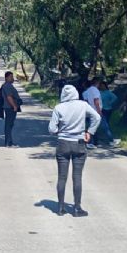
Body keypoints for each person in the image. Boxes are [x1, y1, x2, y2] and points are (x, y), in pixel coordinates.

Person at [48, 84, 100, 217]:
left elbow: (52, 129)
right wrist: (90, 132)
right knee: (77, 177)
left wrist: (60, 130)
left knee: (62, 177)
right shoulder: (83, 105)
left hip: (63, 144)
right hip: (79, 143)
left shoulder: (58, 107)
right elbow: (97, 117)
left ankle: (60, 208)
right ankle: (77, 208)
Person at [0, 71, 22, 147]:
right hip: (10, 108)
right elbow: (9, 97)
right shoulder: (7, 86)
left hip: (10, 107)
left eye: (12, 77)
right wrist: (14, 106)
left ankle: (9, 142)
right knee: (8, 125)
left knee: (10, 125)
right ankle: (8, 142)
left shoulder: (8, 85)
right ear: (6, 78)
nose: (12, 78)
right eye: (11, 77)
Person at [82, 77, 103, 149]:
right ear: (97, 83)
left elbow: (86, 101)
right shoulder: (96, 90)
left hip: (89, 110)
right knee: (95, 126)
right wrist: (99, 111)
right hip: (96, 110)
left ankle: (93, 141)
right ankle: (92, 141)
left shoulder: (87, 91)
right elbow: (96, 101)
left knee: (92, 126)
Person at [98, 79, 117, 146]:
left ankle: (110, 138)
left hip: (108, 109)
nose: (102, 87)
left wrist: (110, 103)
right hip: (101, 109)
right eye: (101, 86)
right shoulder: (99, 92)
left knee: (105, 124)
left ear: (105, 86)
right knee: (105, 124)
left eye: (103, 86)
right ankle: (107, 137)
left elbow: (115, 97)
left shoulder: (108, 92)